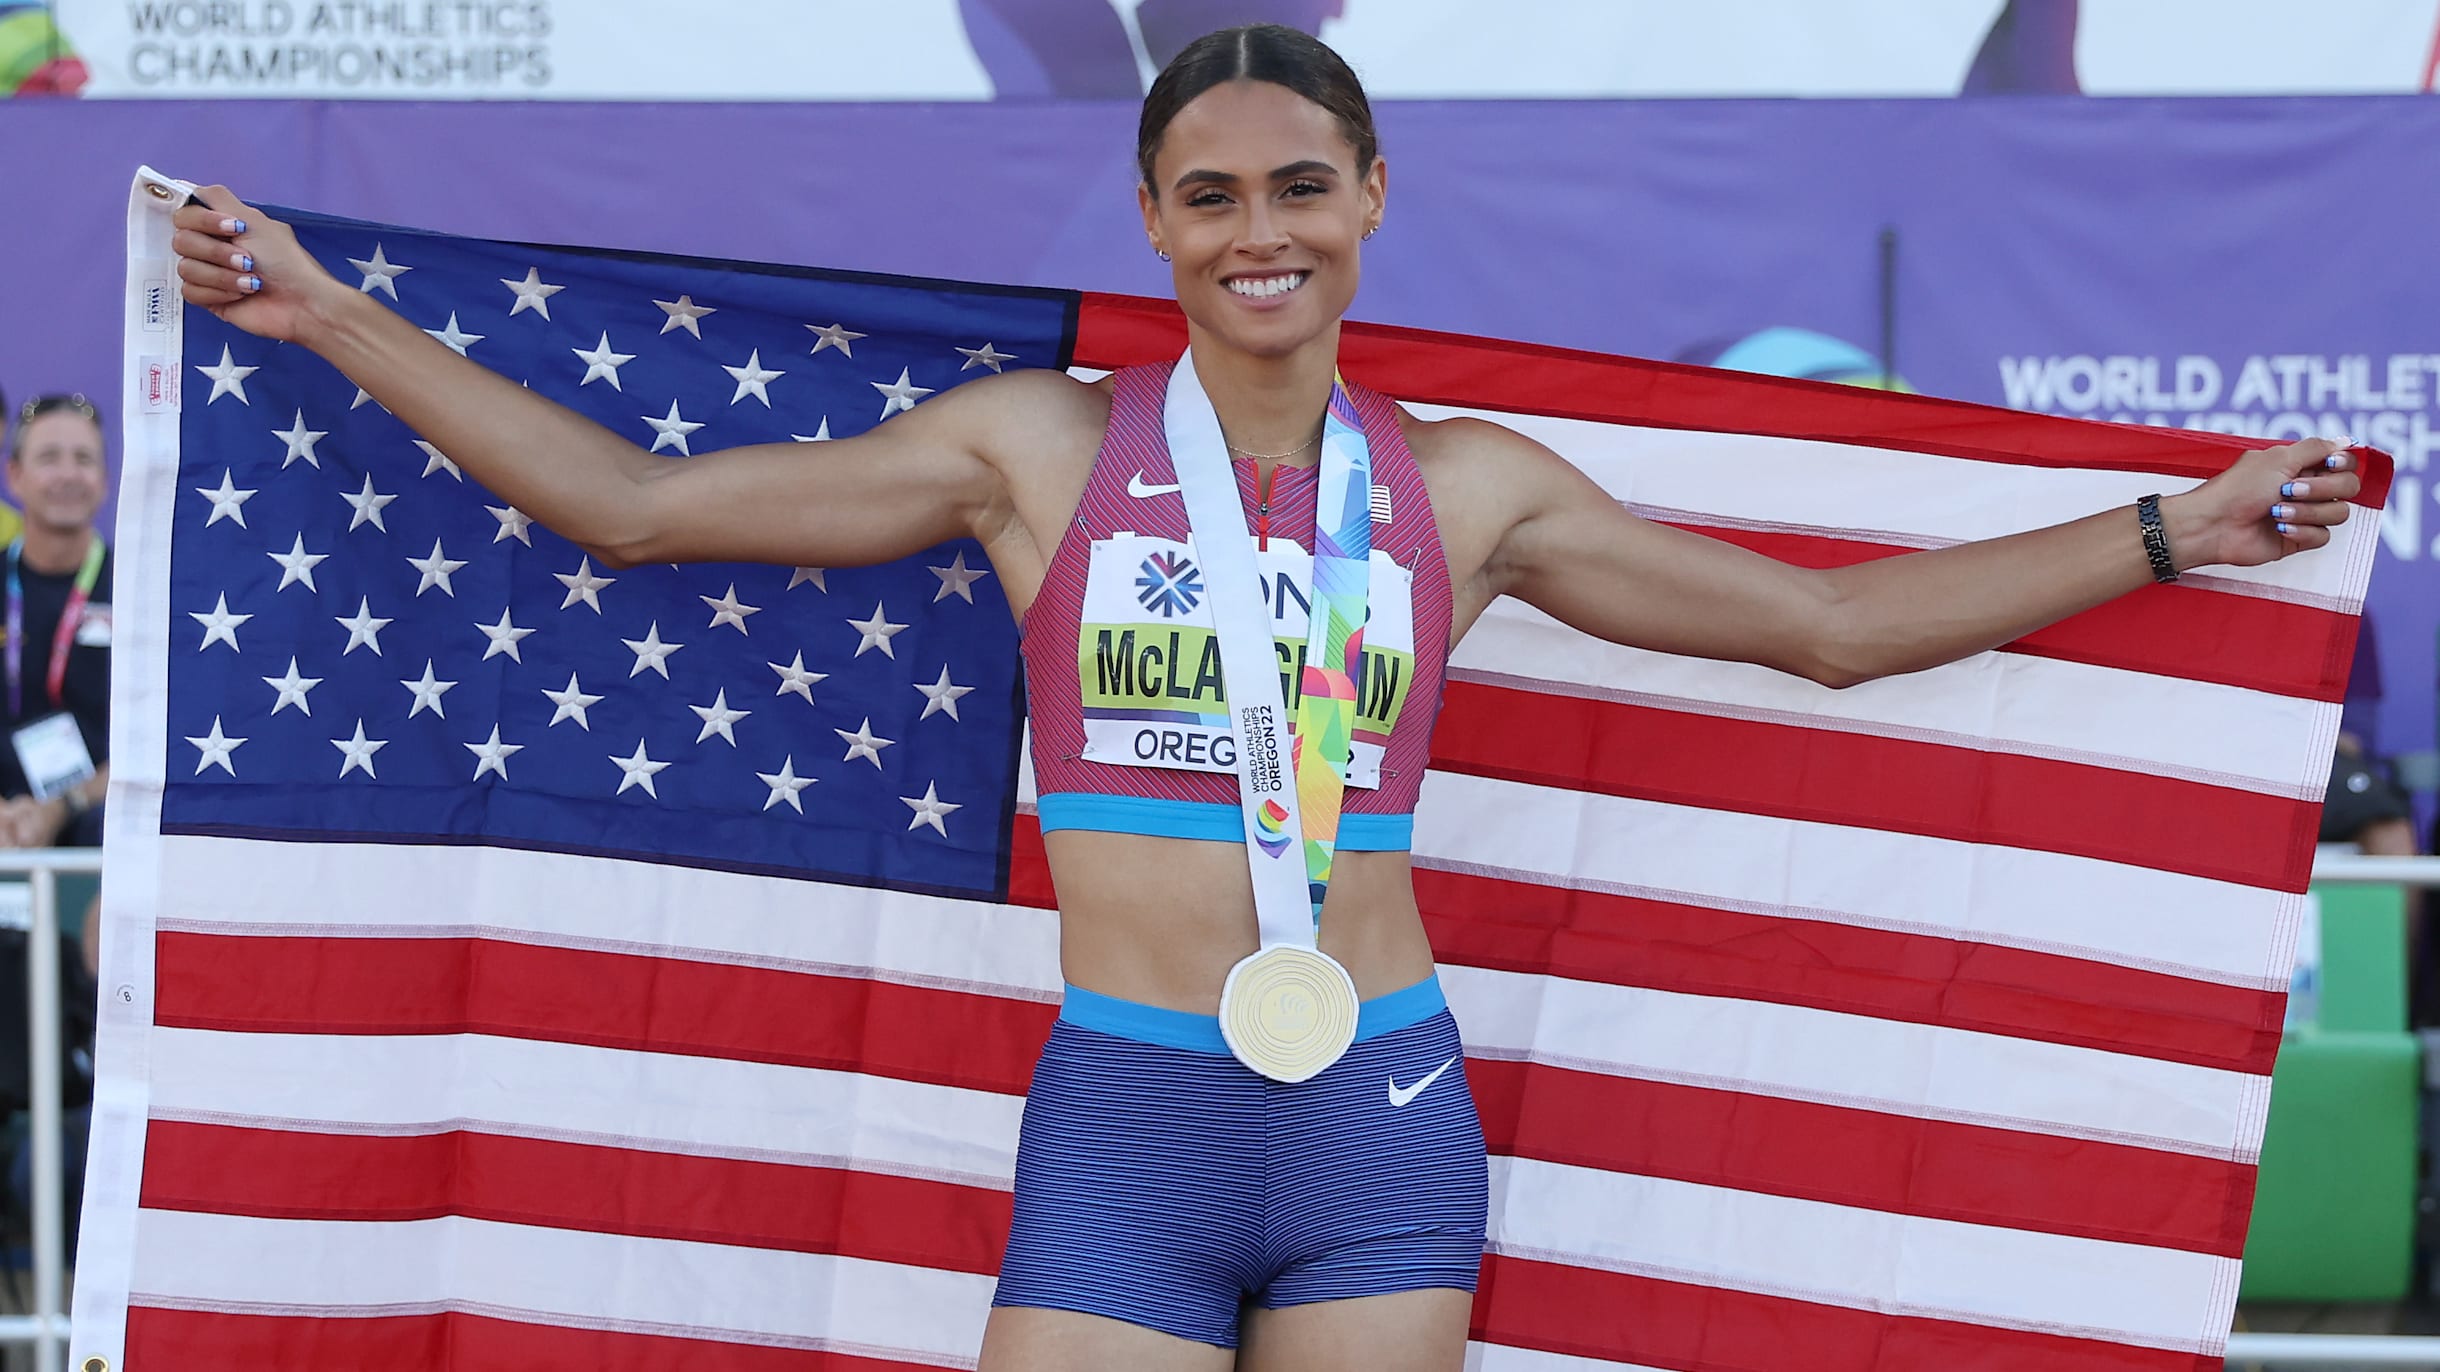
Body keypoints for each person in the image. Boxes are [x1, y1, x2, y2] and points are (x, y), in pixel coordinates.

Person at [166, 24, 2360, 1371]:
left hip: (1373, 1109)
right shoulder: (1031, 444)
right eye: (1207, 196)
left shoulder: (1470, 488)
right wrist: (332, 314)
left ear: (1369, 199)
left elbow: (1825, 628)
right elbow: (638, 507)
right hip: (1128, 1107)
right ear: (1151, 213)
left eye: (1296, 187)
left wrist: (2168, 531)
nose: (1254, 234)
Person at [0, 394, 111, 851]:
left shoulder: (145, 596)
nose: (68, 474)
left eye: (83, 459)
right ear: (15, 476)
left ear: (104, 481)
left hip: (95, 817)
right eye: (49, 458)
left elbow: (162, 745)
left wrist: (61, 807)